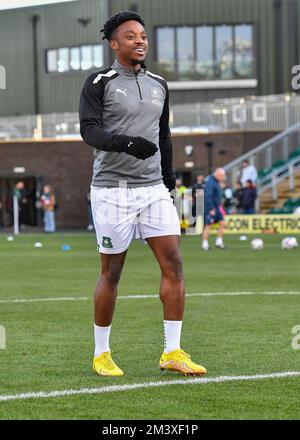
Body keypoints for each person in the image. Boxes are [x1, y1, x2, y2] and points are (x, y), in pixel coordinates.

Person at [79, 11, 206, 377]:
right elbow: (89, 131)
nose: (140, 41)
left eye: (143, 36)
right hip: (111, 191)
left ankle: (173, 352)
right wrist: (124, 143)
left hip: (152, 190)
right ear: (114, 43)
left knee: (174, 264)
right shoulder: (98, 82)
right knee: (113, 272)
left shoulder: (159, 84)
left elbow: (163, 136)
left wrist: (167, 178)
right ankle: (101, 352)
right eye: (131, 36)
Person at [202, 168, 226, 251]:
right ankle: (205, 244)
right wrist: (211, 208)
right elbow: (208, 196)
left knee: (222, 223)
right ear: (218, 175)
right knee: (208, 225)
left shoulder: (216, 182)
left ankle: (219, 242)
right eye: (223, 176)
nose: (224, 177)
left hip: (217, 208)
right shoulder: (210, 182)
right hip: (211, 208)